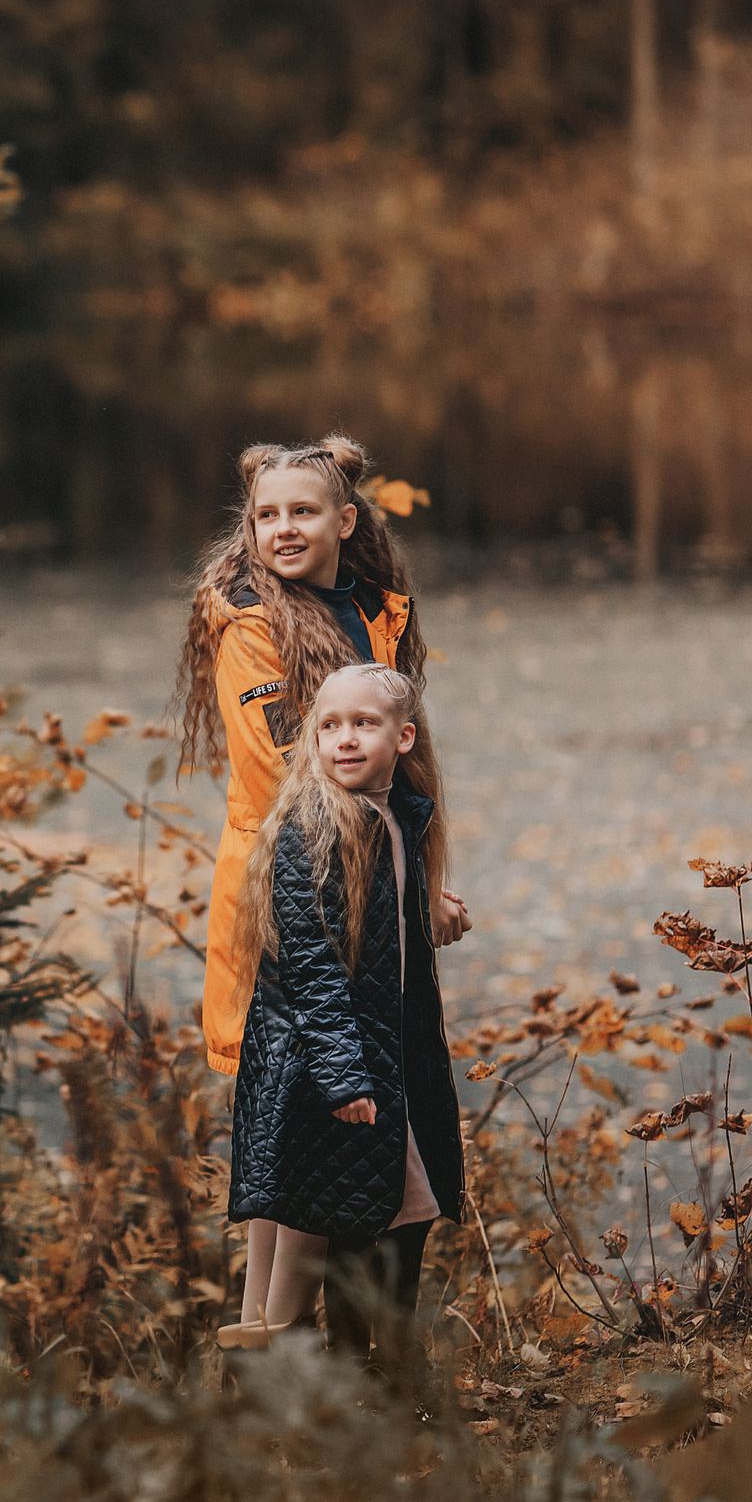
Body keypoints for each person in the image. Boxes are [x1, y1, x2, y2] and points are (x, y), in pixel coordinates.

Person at [172, 435, 469, 1079]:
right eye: (266, 516)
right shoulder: (248, 627)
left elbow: (395, 763)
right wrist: (403, 887)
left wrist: (418, 885)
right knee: (307, 1113)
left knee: (389, 1114)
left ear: (345, 520)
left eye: (303, 512)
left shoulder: (373, 611)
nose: (283, 530)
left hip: (372, 884)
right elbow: (286, 776)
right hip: (294, 897)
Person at [216, 662, 464, 1384]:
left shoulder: (397, 818)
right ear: (312, 740)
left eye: (364, 724)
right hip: (324, 1065)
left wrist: (432, 908)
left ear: (402, 736)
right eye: (330, 725)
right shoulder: (311, 827)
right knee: (353, 1221)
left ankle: (390, 1373)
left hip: (390, 1060)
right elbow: (314, 966)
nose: (345, 739)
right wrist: (343, 1073)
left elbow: (388, 940)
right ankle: (339, 1388)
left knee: (406, 1208)